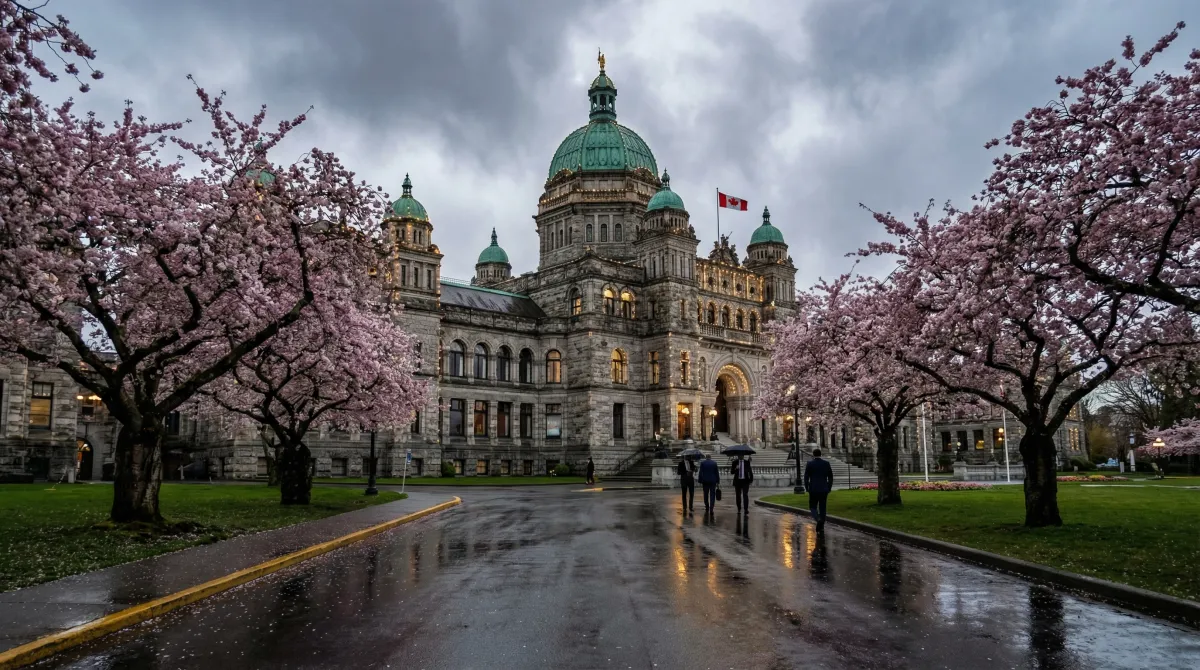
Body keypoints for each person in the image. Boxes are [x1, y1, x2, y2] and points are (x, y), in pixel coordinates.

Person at [803, 448, 834, 532]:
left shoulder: (810, 464)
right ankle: (821, 526)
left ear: (813, 455)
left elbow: (806, 477)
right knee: (823, 507)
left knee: (812, 506)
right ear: (821, 454)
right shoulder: (826, 463)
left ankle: (818, 519)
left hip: (813, 488)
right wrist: (829, 487)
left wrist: (807, 488)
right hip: (824, 489)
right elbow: (830, 477)